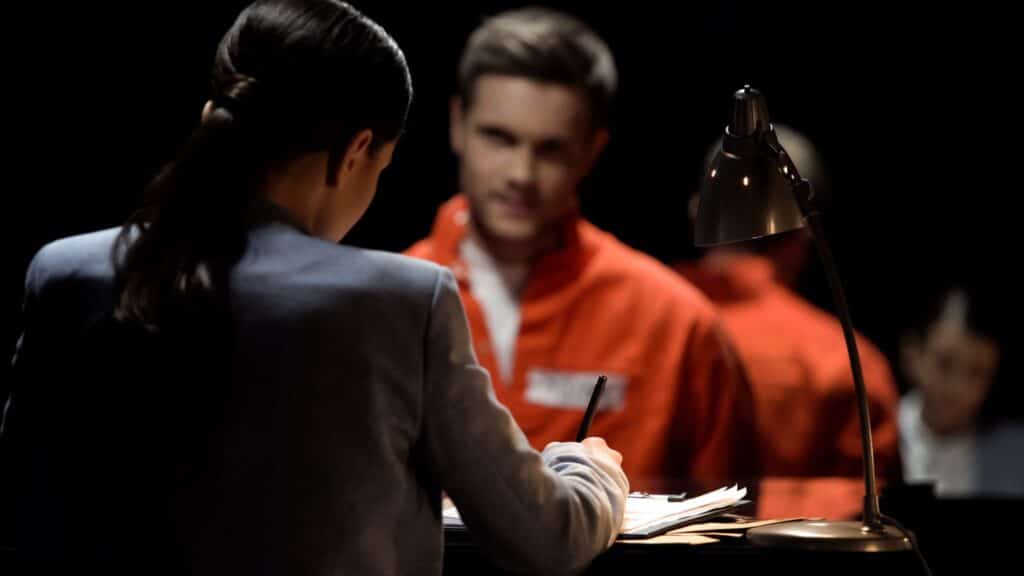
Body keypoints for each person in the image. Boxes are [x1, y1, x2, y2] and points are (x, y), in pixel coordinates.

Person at [2, 1, 628, 573]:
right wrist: (588, 470)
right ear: (357, 151)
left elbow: (24, 510)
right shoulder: (404, 301)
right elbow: (546, 537)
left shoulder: (64, 273)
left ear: (212, 118)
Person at [406, 7, 757, 491]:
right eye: (499, 138)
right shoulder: (387, 301)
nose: (520, 175)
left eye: (549, 149)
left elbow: (728, 521)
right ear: (456, 124)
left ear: (592, 150)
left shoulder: (673, 323)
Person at [676, 125, 901, 518]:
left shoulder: (631, 324)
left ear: (699, 212)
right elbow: (874, 524)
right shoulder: (849, 362)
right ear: (805, 231)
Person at [899, 281, 1024, 497]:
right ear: (913, 354)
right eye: (945, 364)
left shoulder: (1016, 456)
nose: (957, 390)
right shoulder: (873, 436)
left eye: (976, 373)